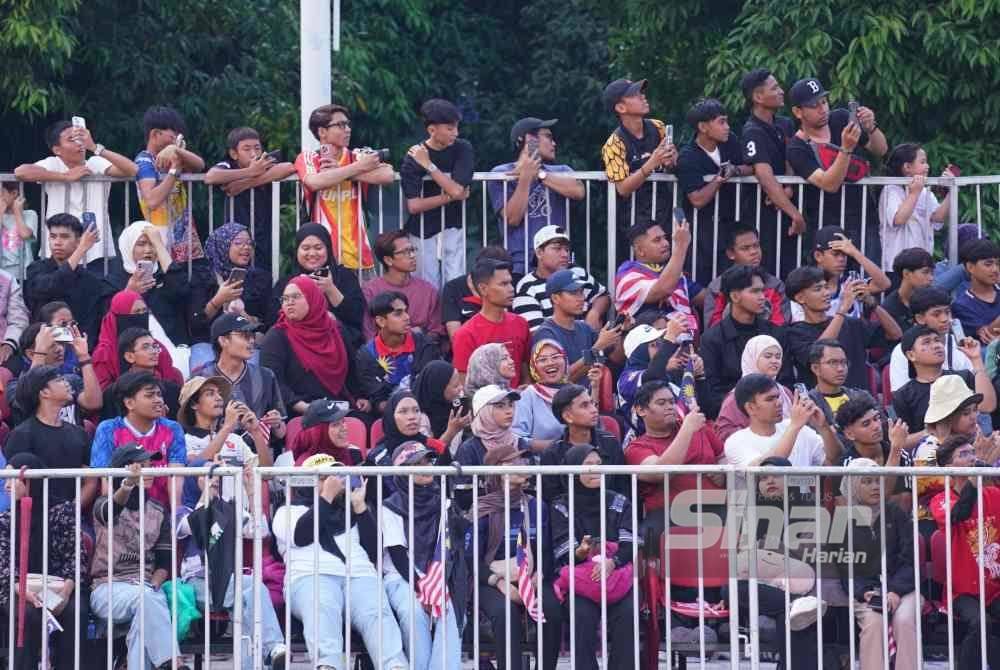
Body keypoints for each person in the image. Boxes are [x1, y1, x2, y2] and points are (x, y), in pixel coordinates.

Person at [272, 453, 408, 670]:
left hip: (359, 575)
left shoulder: (350, 510)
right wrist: (325, 498)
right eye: (325, 477)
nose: (335, 482)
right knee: (321, 605)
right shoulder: (288, 510)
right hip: (310, 576)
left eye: (337, 476)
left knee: (375, 611)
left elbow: (374, 551)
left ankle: (394, 665)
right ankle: (328, 665)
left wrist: (361, 508)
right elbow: (302, 535)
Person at [175, 463, 287, 670]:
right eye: (207, 476)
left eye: (216, 475)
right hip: (197, 582)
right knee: (252, 591)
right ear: (193, 480)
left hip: (227, 580)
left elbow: (259, 532)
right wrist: (206, 497)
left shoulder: (228, 509)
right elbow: (193, 526)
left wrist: (251, 493)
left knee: (248, 605)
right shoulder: (183, 511)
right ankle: (272, 646)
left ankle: (265, 656)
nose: (214, 480)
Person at [89, 445, 182, 670]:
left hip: (146, 587)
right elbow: (109, 513)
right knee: (146, 600)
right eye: (143, 466)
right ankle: (172, 661)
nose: (150, 470)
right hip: (107, 587)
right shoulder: (103, 502)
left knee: (145, 613)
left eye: (151, 465)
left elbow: (164, 562)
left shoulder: (159, 509)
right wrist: (128, 484)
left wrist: (153, 584)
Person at [475, 444, 563, 670]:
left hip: (530, 574)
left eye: (523, 461)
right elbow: (471, 559)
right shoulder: (481, 508)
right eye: (514, 462)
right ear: (496, 470)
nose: (522, 466)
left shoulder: (536, 506)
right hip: (490, 579)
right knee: (504, 612)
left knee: (551, 607)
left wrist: (538, 575)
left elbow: (545, 549)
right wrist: (500, 583)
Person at [381, 443, 469, 670]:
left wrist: (435, 587)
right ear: (400, 470)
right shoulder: (390, 506)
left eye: (427, 461)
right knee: (413, 613)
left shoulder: (443, 500)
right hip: (402, 577)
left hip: (438, 574)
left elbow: (452, 546)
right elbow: (398, 556)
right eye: (415, 463)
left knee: (451, 611)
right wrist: (423, 589)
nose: (425, 467)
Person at [550, 445, 636, 670]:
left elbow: (630, 543)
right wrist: (581, 552)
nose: (596, 470)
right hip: (581, 582)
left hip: (616, 576)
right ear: (573, 470)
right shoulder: (561, 505)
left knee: (628, 613)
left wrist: (612, 562)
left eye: (599, 464)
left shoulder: (619, 501)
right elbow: (562, 552)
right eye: (588, 465)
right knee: (581, 615)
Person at [0, 453, 87, 670]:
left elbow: (76, 557)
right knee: (27, 613)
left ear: (30, 480)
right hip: (16, 589)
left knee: (76, 611)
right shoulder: (6, 520)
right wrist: (23, 591)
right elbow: (3, 565)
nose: (7, 484)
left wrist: (65, 594)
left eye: (13, 477)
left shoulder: (62, 512)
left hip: (59, 586)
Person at [786, 78, 889, 261]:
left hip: (864, 219)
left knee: (868, 279)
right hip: (826, 227)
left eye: (824, 102)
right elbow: (829, 184)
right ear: (797, 112)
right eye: (814, 105)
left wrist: (871, 127)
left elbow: (880, 149)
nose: (822, 109)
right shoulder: (797, 147)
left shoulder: (841, 118)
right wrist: (846, 148)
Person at [14, 119, 137, 267]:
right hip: (58, 251)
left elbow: (133, 170)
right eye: (71, 140)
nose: (79, 143)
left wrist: (95, 147)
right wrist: (65, 177)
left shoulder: (95, 163)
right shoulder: (53, 163)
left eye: (80, 138)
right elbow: (20, 172)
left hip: (96, 250)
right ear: (57, 150)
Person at [295, 104, 394, 273]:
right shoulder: (310, 157)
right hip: (322, 256)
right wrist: (356, 169)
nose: (347, 129)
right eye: (340, 125)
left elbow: (387, 175)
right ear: (322, 132)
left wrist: (343, 173)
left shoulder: (356, 156)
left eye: (348, 124)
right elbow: (314, 182)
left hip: (359, 255)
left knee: (364, 300)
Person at [930, 435, 1000, 669]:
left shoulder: (993, 495)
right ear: (948, 468)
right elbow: (957, 515)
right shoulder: (941, 500)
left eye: (973, 453)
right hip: (962, 592)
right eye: (964, 455)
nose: (972, 459)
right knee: (981, 623)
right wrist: (975, 477)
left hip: (994, 586)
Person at [489, 117, 585, 275]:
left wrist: (540, 174)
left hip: (560, 260)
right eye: (548, 137)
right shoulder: (502, 173)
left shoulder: (561, 170)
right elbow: (512, 218)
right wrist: (526, 178)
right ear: (529, 139)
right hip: (519, 262)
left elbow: (579, 192)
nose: (554, 144)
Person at [738, 68, 806, 277]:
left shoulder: (784, 123)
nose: (781, 91)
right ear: (758, 97)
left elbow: (791, 159)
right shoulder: (752, 131)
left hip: (784, 207)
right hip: (763, 213)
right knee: (767, 270)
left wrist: (788, 189)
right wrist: (795, 214)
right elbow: (764, 175)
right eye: (775, 88)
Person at [785, 266, 900, 389]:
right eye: (818, 289)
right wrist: (842, 309)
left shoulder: (850, 324)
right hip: (821, 405)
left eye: (826, 287)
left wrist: (872, 303)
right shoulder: (795, 332)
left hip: (859, 401)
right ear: (800, 298)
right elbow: (819, 353)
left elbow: (895, 334)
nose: (826, 293)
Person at [700, 264, 790, 419]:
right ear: (735, 297)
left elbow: (786, 380)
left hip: (776, 414)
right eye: (755, 291)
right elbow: (712, 392)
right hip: (732, 417)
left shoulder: (776, 333)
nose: (763, 296)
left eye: (762, 290)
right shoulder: (712, 338)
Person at [400, 98, 475, 286]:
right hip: (422, 230)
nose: (455, 133)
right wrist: (450, 196)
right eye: (450, 129)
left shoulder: (462, 148)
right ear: (432, 130)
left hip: (453, 225)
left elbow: (458, 189)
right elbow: (414, 205)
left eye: (456, 128)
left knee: (455, 281)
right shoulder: (414, 156)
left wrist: (429, 165)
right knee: (427, 283)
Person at [677, 98, 751, 283]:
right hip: (702, 233)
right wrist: (719, 180)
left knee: (734, 280)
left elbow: (752, 166)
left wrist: (736, 170)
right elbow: (697, 199)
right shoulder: (688, 157)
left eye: (726, 121)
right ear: (703, 127)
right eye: (721, 122)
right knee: (703, 280)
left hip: (731, 227)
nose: (727, 127)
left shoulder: (730, 141)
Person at [203, 126, 297, 270]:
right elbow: (211, 176)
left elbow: (289, 167)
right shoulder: (229, 165)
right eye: (246, 149)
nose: (253, 153)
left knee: (263, 275)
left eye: (257, 148)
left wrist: (246, 183)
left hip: (263, 234)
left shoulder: (265, 162)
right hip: (236, 237)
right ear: (234, 154)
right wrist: (250, 171)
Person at [625, 379, 723, 517]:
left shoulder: (698, 427)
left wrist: (723, 472)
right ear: (641, 410)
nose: (670, 407)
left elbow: (724, 456)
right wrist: (687, 429)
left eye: (672, 402)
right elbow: (660, 472)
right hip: (671, 518)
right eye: (661, 403)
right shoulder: (636, 448)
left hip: (718, 510)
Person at [4, 364, 97, 508]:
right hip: (33, 519)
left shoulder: (79, 433)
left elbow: (90, 480)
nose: (66, 382)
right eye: (59, 380)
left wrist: (69, 510)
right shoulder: (21, 435)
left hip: (71, 518)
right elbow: (12, 484)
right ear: (44, 392)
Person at [260, 276, 354, 416]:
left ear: (313, 298)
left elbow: (352, 370)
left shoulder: (335, 329)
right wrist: (304, 407)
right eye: (285, 299)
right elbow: (272, 381)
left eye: (296, 297)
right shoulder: (276, 336)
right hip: (297, 412)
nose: (289, 303)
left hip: (337, 406)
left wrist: (360, 397)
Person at [90, 371, 187, 506]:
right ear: (129, 403)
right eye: (150, 395)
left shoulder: (173, 429)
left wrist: (175, 517)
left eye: (159, 395)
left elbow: (176, 478)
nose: (158, 400)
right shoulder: (107, 429)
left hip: (161, 515)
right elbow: (107, 481)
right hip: (122, 515)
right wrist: (112, 516)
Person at [189, 221, 274, 366]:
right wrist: (219, 300)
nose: (246, 247)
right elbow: (195, 324)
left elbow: (268, 324)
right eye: (238, 243)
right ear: (222, 245)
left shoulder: (260, 279)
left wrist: (247, 318)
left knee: (251, 375)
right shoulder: (203, 277)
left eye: (249, 243)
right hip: (209, 343)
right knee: (205, 376)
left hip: (246, 342)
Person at [724, 374, 842, 475]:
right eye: (770, 399)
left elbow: (834, 460)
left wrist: (823, 427)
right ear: (750, 407)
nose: (779, 403)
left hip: (804, 502)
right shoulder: (736, 441)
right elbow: (769, 470)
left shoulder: (799, 429)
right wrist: (795, 426)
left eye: (778, 397)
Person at [601, 78, 676, 234]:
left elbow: (672, 167)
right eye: (635, 94)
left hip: (665, 214)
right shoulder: (613, 144)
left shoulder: (658, 127)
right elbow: (622, 189)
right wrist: (651, 163)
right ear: (621, 107)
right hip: (636, 223)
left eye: (641, 92)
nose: (642, 96)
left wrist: (672, 160)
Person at [23, 213, 114, 343]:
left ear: (78, 240)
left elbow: (92, 324)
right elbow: (49, 286)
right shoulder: (36, 269)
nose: (57, 242)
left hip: (78, 350)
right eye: (53, 236)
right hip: (42, 347)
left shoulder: (90, 280)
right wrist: (81, 250)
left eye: (64, 237)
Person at [273, 223, 366, 349]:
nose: (312, 253)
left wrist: (330, 289)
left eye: (318, 247)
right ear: (297, 251)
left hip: (340, 345)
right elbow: (273, 319)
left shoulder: (344, 277)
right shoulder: (287, 283)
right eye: (305, 248)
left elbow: (356, 316)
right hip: (298, 346)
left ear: (327, 248)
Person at [201, 313, 287, 442]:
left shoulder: (266, 376)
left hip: (258, 454)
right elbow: (191, 431)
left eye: (252, 335)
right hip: (215, 455)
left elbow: (281, 433)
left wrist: (277, 423)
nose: (252, 340)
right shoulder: (202, 379)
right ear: (223, 340)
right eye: (244, 335)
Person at [135, 105, 206, 262]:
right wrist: (174, 170)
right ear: (155, 134)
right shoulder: (144, 161)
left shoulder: (174, 157)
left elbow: (200, 165)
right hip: (160, 240)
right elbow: (152, 200)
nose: (176, 139)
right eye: (173, 136)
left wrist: (177, 151)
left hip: (184, 238)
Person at [892, 326, 994, 434]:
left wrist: (976, 359)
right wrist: (935, 429)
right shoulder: (903, 395)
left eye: (937, 340)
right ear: (911, 355)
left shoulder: (962, 377)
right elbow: (903, 441)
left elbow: (987, 406)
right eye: (926, 342)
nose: (936, 345)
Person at [617, 315, 708, 434]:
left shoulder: (668, 376)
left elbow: (701, 409)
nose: (660, 349)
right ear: (639, 352)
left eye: (659, 344)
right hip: (643, 443)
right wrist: (670, 339)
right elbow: (650, 378)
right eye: (653, 345)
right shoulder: (626, 378)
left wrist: (699, 377)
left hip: (676, 437)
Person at [355, 291, 441, 416]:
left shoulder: (424, 345)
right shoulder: (367, 355)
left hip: (426, 412)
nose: (407, 317)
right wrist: (401, 412)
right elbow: (377, 400)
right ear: (381, 321)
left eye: (406, 311)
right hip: (389, 415)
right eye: (398, 314)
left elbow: (432, 389)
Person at [879, 142, 955, 278]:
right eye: (923, 162)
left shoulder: (926, 192)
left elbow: (937, 217)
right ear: (907, 167)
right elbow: (898, 219)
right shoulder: (891, 190)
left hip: (922, 261)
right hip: (896, 263)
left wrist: (951, 191)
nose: (927, 166)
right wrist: (914, 193)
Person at [513, 225, 609, 332]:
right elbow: (538, 334)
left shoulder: (577, 273)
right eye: (557, 248)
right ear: (539, 253)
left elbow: (603, 296)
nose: (565, 254)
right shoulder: (527, 286)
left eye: (567, 249)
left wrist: (594, 313)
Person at [540, 383, 626, 501]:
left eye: (592, 403)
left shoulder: (610, 442)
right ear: (568, 416)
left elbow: (624, 490)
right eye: (585, 405)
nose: (594, 410)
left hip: (610, 515)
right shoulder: (552, 453)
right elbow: (552, 500)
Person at [451, 259, 530, 387]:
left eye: (511, 283)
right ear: (483, 289)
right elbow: (465, 385)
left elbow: (525, 370)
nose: (511, 289)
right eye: (504, 284)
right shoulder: (466, 334)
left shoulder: (521, 324)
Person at [113, 220, 193, 346]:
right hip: (132, 350)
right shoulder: (114, 280)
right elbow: (110, 322)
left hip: (173, 348)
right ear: (128, 246)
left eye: (152, 244)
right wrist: (129, 293)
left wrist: (159, 244)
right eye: (141, 244)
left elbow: (183, 290)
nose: (148, 250)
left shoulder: (165, 275)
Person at [533, 268, 623, 380]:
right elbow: (559, 379)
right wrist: (597, 348)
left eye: (581, 292)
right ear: (555, 298)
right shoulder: (546, 333)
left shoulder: (584, 327)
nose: (582, 298)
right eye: (574, 293)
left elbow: (616, 358)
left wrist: (622, 331)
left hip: (589, 396)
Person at [791, 226, 892, 321]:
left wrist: (855, 253)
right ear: (818, 256)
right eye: (835, 254)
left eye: (845, 254)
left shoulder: (851, 283)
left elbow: (884, 284)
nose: (841, 259)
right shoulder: (804, 286)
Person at [614, 219, 703, 327]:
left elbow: (706, 298)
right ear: (640, 250)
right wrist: (681, 246)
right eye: (657, 240)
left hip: (684, 338)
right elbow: (663, 289)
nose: (665, 243)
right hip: (649, 342)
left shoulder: (672, 273)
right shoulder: (627, 271)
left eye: (665, 238)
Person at [91, 290, 183, 391]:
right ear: (121, 317)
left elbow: (169, 381)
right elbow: (102, 393)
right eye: (136, 312)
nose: (141, 316)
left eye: (144, 311)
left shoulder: (157, 346)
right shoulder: (104, 353)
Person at [454, 385, 528, 509]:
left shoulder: (520, 443)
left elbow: (533, 488)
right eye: (500, 406)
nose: (509, 411)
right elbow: (463, 498)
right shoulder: (469, 449)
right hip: (483, 517)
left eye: (510, 405)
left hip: (518, 511)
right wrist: (500, 488)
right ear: (484, 411)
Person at [362, 231, 445, 339]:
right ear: (388, 260)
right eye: (405, 252)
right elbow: (369, 333)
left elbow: (437, 331)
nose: (412, 256)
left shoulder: (428, 291)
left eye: (412, 250)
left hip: (420, 351)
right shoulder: (370, 291)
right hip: (383, 353)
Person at [702, 225, 789, 328]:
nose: (754, 252)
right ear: (731, 254)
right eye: (745, 248)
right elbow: (713, 328)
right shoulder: (717, 287)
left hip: (766, 342)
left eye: (756, 246)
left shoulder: (776, 285)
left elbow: (780, 327)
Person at [365, 390, 449, 497]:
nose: (412, 417)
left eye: (416, 410)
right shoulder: (377, 457)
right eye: (403, 411)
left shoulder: (437, 449)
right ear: (391, 416)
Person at [888, 287, 972, 391]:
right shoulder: (902, 350)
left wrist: (976, 359)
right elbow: (900, 395)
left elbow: (973, 386)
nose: (945, 319)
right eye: (936, 314)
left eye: (947, 312)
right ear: (920, 318)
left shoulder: (960, 344)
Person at [715, 335, 794, 443]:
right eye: (768, 356)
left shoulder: (785, 393)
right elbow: (724, 434)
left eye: (778, 356)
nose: (774, 361)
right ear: (752, 357)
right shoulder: (737, 396)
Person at [178, 375, 272, 466]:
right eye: (210, 394)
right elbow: (197, 468)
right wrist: (227, 426)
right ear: (193, 404)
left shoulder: (235, 439)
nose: (219, 398)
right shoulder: (183, 441)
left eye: (219, 393)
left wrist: (256, 432)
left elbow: (267, 473)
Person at [835, 399, 912, 501]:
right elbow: (859, 511)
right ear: (850, 434)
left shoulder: (902, 456)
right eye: (866, 424)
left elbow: (904, 503)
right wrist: (896, 450)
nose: (876, 426)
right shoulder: (846, 465)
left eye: (876, 418)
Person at [442, 246, 513, 338]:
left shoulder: (508, 286)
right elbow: (456, 338)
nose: (511, 288)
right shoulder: (452, 288)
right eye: (503, 283)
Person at [513, 339, 570, 452]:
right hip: (540, 464)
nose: (550, 363)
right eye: (542, 360)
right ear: (534, 367)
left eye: (555, 357)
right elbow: (517, 439)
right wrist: (556, 447)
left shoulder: (577, 392)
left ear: (565, 360)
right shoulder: (528, 395)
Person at [806, 338, 879, 425]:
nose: (840, 369)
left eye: (843, 362)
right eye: (833, 362)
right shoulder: (809, 404)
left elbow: (884, 425)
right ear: (815, 368)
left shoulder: (861, 396)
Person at [410, 360, 471, 451]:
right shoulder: (418, 418)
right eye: (455, 386)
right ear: (438, 389)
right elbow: (429, 454)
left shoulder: (452, 404)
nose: (461, 388)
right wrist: (451, 432)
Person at [289, 398, 363, 465]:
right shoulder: (305, 465)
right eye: (336, 424)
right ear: (319, 434)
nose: (345, 428)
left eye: (343, 422)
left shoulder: (353, 454)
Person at [953, 237, 1000, 344]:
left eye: (997, 264)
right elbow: (988, 336)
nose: (995, 269)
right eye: (988, 264)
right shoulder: (961, 305)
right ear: (970, 267)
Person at [882, 248, 936, 333]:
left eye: (932, 273)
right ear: (906, 274)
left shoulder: (934, 301)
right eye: (925, 272)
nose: (931, 278)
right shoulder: (889, 308)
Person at [0, 181, 38, 278]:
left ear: (14, 193)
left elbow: (25, 235)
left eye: (1, 192)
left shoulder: (30, 214)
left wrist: (17, 212)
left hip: (23, 271)